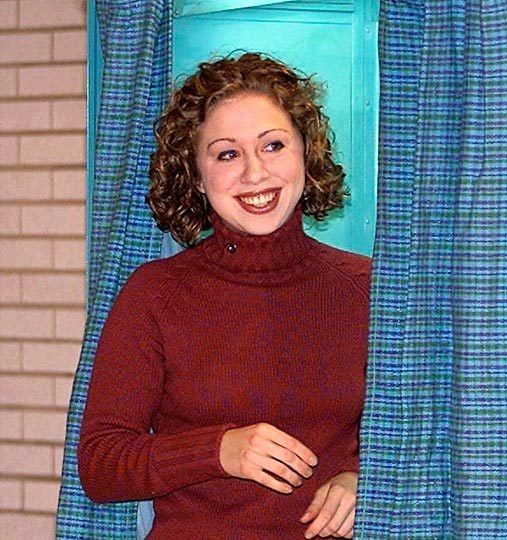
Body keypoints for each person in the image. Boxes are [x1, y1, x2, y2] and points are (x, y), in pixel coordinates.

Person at [77, 53, 370, 539]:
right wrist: (220, 450)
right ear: (195, 174)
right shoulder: (155, 293)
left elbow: (417, 439)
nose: (255, 174)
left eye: (273, 145)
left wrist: (362, 479)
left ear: (306, 152)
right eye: (227, 154)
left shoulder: (366, 288)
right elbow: (100, 464)